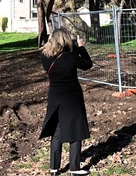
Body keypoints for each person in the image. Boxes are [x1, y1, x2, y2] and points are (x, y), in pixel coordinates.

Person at [40, 27, 93, 176]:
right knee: (75, 131)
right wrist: (81, 47)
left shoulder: (45, 57)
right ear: (65, 40)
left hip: (55, 97)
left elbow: (59, 56)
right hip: (72, 99)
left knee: (57, 133)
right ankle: (74, 168)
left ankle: (54, 168)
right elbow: (88, 64)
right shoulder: (71, 57)